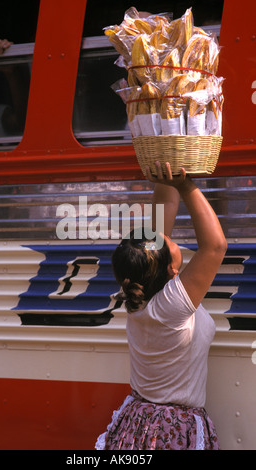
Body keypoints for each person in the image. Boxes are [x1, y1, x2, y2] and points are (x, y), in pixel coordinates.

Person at [95, 161, 227, 450]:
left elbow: (165, 202)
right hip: (168, 428)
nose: (166, 235)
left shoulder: (139, 297)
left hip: (143, 420)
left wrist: (166, 166)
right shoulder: (170, 306)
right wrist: (186, 185)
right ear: (171, 270)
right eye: (166, 242)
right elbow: (215, 247)